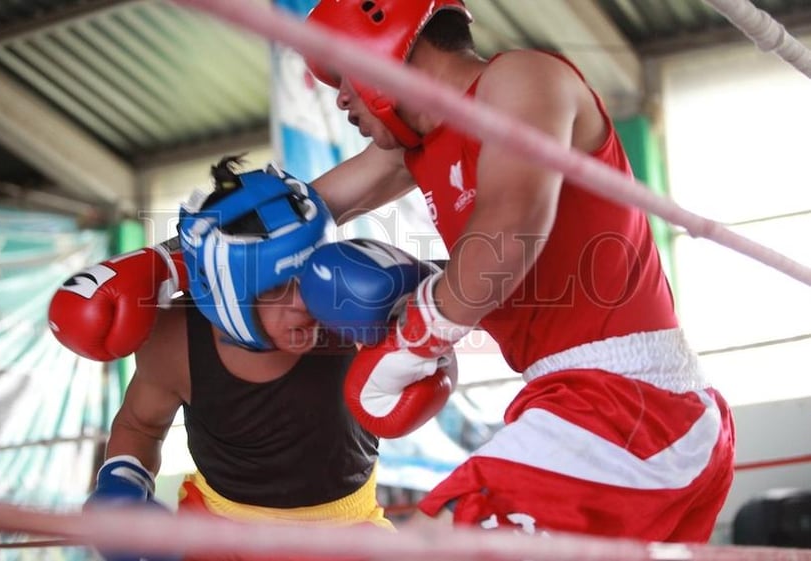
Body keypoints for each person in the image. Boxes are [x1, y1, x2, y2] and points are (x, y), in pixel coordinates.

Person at [296, 0, 736, 543]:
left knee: (442, 542)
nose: (339, 97)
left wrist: (415, 336)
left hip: (632, 404)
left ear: (380, 42)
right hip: (586, 407)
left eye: (343, 75)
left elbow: (511, 225)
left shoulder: (522, 79)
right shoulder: (414, 150)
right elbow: (297, 212)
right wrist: (180, 256)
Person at [48, 160, 393, 561]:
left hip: (348, 535)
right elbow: (141, 423)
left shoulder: (354, 297)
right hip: (217, 535)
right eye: (277, 285)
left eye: (308, 274)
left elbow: (399, 161)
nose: (303, 302)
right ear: (223, 290)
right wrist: (121, 481)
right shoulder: (174, 338)